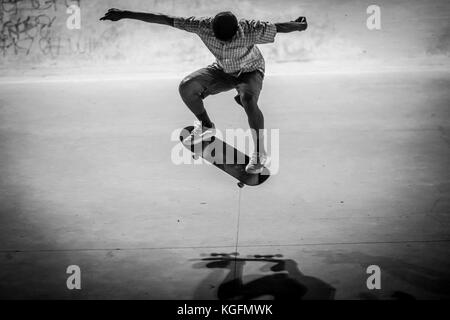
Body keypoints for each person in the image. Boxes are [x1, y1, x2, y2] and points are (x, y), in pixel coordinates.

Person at [100, 9, 307, 173]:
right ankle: (206, 125)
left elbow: (279, 27)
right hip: (223, 70)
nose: (224, 43)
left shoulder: (252, 29)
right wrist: (125, 14)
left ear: (237, 30)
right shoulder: (201, 25)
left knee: (248, 98)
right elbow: (164, 18)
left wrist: (299, 25)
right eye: (220, 39)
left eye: (229, 39)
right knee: (186, 87)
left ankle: (260, 153)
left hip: (250, 70)